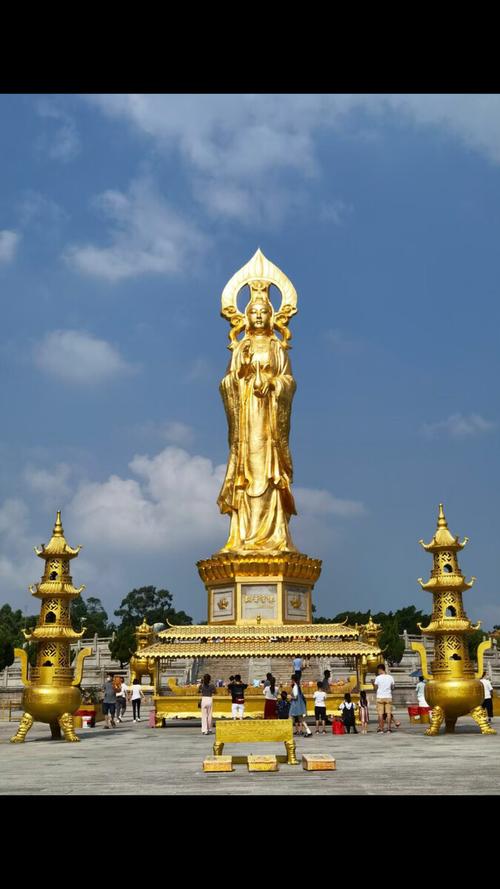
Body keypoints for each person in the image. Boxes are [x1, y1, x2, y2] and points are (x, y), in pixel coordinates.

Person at [217, 285, 298, 554]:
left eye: (264, 311)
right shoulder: (242, 347)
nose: (259, 316)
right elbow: (226, 382)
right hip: (247, 420)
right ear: (247, 316)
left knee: (270, 474)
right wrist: (242, 377)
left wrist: (274, 386)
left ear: (272, 316)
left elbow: (289, 381)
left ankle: (275, 535)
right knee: (246, 474)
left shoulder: (276, 347)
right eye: (254, 312)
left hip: (269, 423)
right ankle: (243, 537)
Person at [373, 663, 395, 733]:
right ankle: (388, 729)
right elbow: (393, 687)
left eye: (378, 671)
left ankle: (381, 729)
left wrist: (373, 683)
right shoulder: (390, 677)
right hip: (388, 696)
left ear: (380, 670)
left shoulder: (377, 678)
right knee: (388, 713)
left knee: (380, 714)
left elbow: (375, 688)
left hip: (380, 697)